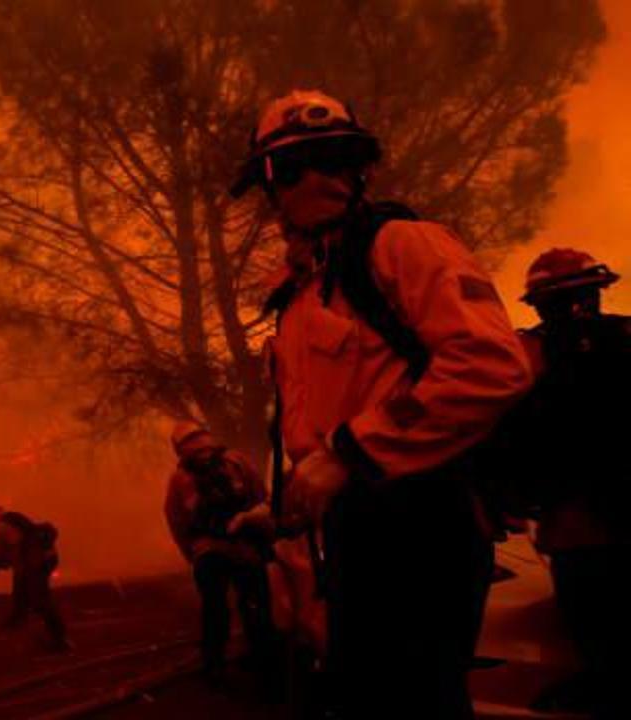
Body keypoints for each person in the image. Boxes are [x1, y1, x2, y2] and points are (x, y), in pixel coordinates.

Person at [231, 89, 534, 719]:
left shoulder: (405, 246)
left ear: (360, 167)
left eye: (335, 158)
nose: (316, 179)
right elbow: (322, 420)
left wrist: (353, 453)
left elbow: (490, 364)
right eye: (291, 167)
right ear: (269, 187)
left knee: (412, 701)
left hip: (421, 520)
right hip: (353, 529)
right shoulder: (300, 293)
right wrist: (284, 507)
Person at [513, 248, 630, 718]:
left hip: (574, 518)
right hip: (586, 512)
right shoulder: (625, 335)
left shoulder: (528, 354)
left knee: (591, 617)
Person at [163, 422, 276, 679]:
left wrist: (192, 553)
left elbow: (176, 519)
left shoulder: (181, 477)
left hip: (214, 550)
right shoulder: (234, 462)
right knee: (251, 602)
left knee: (219, 606)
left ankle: (217, 663)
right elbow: (260, 495)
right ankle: (259, 658)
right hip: (238, 547)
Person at [0, 506, 70, 651]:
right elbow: (10, 554)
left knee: (39, 602)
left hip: (32, 565)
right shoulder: (14, 524)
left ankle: (60, 642)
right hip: (44, 560)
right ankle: (11, 633)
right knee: (22, 602)